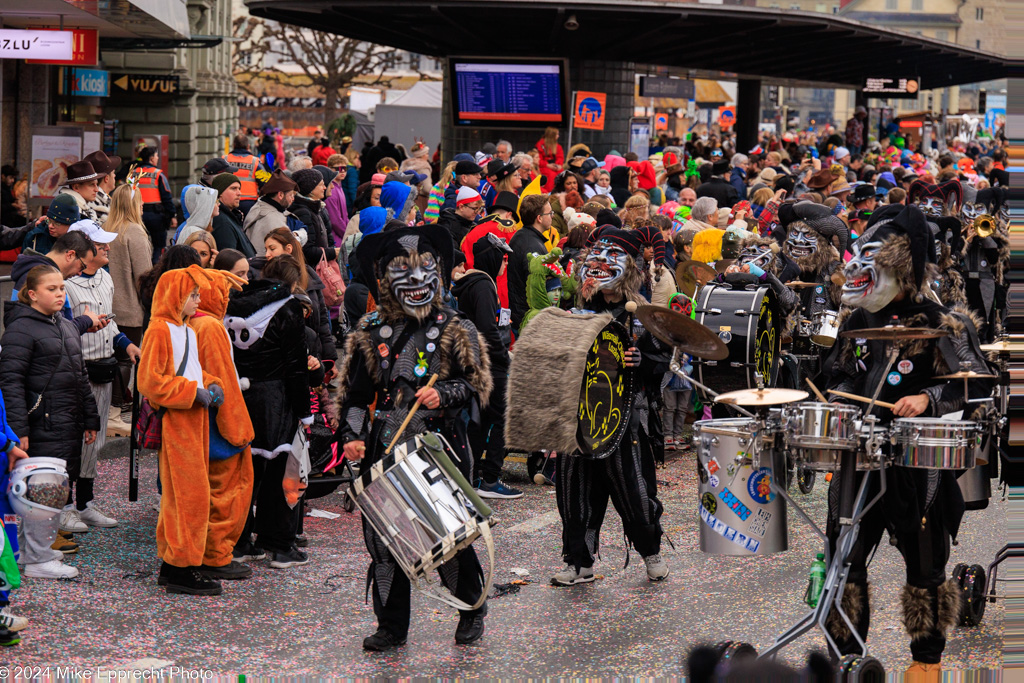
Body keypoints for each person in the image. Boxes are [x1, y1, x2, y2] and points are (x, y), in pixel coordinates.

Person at [823, 204, 992, 676]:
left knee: (926, 570)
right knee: (845, 563)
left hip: (918, 465)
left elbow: (977, 382)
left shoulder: (943, 320)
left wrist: (927, 397)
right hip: (858, 457)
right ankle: (848, 663)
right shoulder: (856, 322)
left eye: (870, 256)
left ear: (900, 263)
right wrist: (837, 401)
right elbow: (835, 373)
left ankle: (926, 664)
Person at [336, 225, 491, 650]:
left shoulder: (457, 327)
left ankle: (471, 609)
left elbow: (477, 385)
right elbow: (355, 394)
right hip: (385, 444)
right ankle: (391, 626)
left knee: (448, 537)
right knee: (383, 541)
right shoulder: (369, 330)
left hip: (437, 447)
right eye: (404, 270)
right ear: (385, 279)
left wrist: (443, 393)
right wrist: (351, 435)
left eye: (426, 267)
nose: (418, 278)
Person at [547, 226, 668, 585]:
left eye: (610, 257)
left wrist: (639, 361)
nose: (598, 264)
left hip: (626, 417)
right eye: (594, 257)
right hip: (579, 417)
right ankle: (578, 562)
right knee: (574, 494)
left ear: (629, 267)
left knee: (635, 491)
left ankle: (651, 553)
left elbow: (661, 361)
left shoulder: (644, 313)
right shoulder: (577, 310)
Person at [0, 264, 100, 579]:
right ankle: (35, 558)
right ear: (31, 294)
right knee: (40, 490)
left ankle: (39, 548)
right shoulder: (20, 329)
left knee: (55, 487)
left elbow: (80, 376)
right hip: (40, 423)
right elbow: (11, 382)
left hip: (66, 421)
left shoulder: (65, 325)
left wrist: (91, 416)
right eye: (51, 289)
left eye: (61, 288)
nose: (60, 293)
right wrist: (18, 430)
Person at [138, 265, 227, 595]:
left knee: (188, 493)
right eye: (192, 294)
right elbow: (149, 381)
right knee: (189, 495)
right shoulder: (160, 329)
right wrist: (192, 393)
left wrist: (211, 386)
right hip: (179, 420)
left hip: (194, 420)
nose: (197, 299)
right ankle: (182, 567)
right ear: (175, 296)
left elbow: (192, 370)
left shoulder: (185, 330)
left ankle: (176, 562)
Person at [63, 223, 141, 531]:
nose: (108, 248)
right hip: (77, 370)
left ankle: (85, 503)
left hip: (104, 367)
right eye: (101, 244)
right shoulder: (67, 284)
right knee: (75, 441)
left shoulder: (106, 278)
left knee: (96, 442)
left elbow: (109, 324)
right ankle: (66, 506)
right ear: (85, 249)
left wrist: (127, 344)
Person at [189, 268, 255, 581]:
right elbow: (222, 380)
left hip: (197, 422)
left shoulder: (187, 321)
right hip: (218, 424)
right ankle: (216, 554)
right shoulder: (210, 327)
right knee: (226, 491)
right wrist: (237, 427)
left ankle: (202, 552)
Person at [452, 234, 521, 499]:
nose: (505, 263)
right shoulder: (482, 286)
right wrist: (503, 357)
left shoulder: (476, 282)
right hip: (488, 363)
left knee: (482, 419)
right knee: (503, 416)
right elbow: (486, 329)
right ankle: (490, 478)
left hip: (481, 362)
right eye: (502, 257)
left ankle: (472, 475)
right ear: (491, 258)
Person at [262, 229, 338, 375]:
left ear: (288, 249)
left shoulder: (309, 275)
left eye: (272, 249)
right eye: (266, 249)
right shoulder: (264, 281)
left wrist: (330, 359)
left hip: (314, 359)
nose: (267, 254)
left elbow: (322, 320)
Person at [105, 185, 155, 344]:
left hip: (105, 308)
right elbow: (144, 276)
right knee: (126, 361)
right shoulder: (135, 232)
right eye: (139, 200)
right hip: (130, 311)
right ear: (131, 204)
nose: (143, 203)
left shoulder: (104, 228)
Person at [507, 194, 553, 333]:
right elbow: (536, 287)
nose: (553, 216)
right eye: (550, 213)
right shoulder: (532, 246)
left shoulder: (524, 236)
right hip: (527, 320)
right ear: (539, 218)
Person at [134, 147, 175, 263]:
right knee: (159, 246)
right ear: (152, 159)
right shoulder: (158, 174)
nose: (157, 158)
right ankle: (155, 269)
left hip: (137, 215)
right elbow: (166, 197)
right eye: (157, 156)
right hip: (156, 216)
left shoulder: (134, 173)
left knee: (139, 246)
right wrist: (172, 214)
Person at [243, 170, 298, 253]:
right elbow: (291, 247)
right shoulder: (271, 219)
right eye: (290, 195)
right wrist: (300, 234)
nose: (293, 199)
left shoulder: (259, 207)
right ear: (280, 195)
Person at [209, 174, 256, 259]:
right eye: (233, 188)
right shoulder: (222, 222)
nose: (239, 193)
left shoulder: (232, 217)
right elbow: (228, 260)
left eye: (239, 189)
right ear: (220, 193)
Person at [223, 133, 263, 215]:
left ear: (233, 145)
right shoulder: (255, 162)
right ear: (248, 146)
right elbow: (265, 183)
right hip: (249, 202)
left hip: (227, 201)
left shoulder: (224, 160)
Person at [81, 151, 121, 224]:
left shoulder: (101, 200)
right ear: (106, 178)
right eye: (113, 173)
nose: (115, 176)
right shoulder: (96, 204)